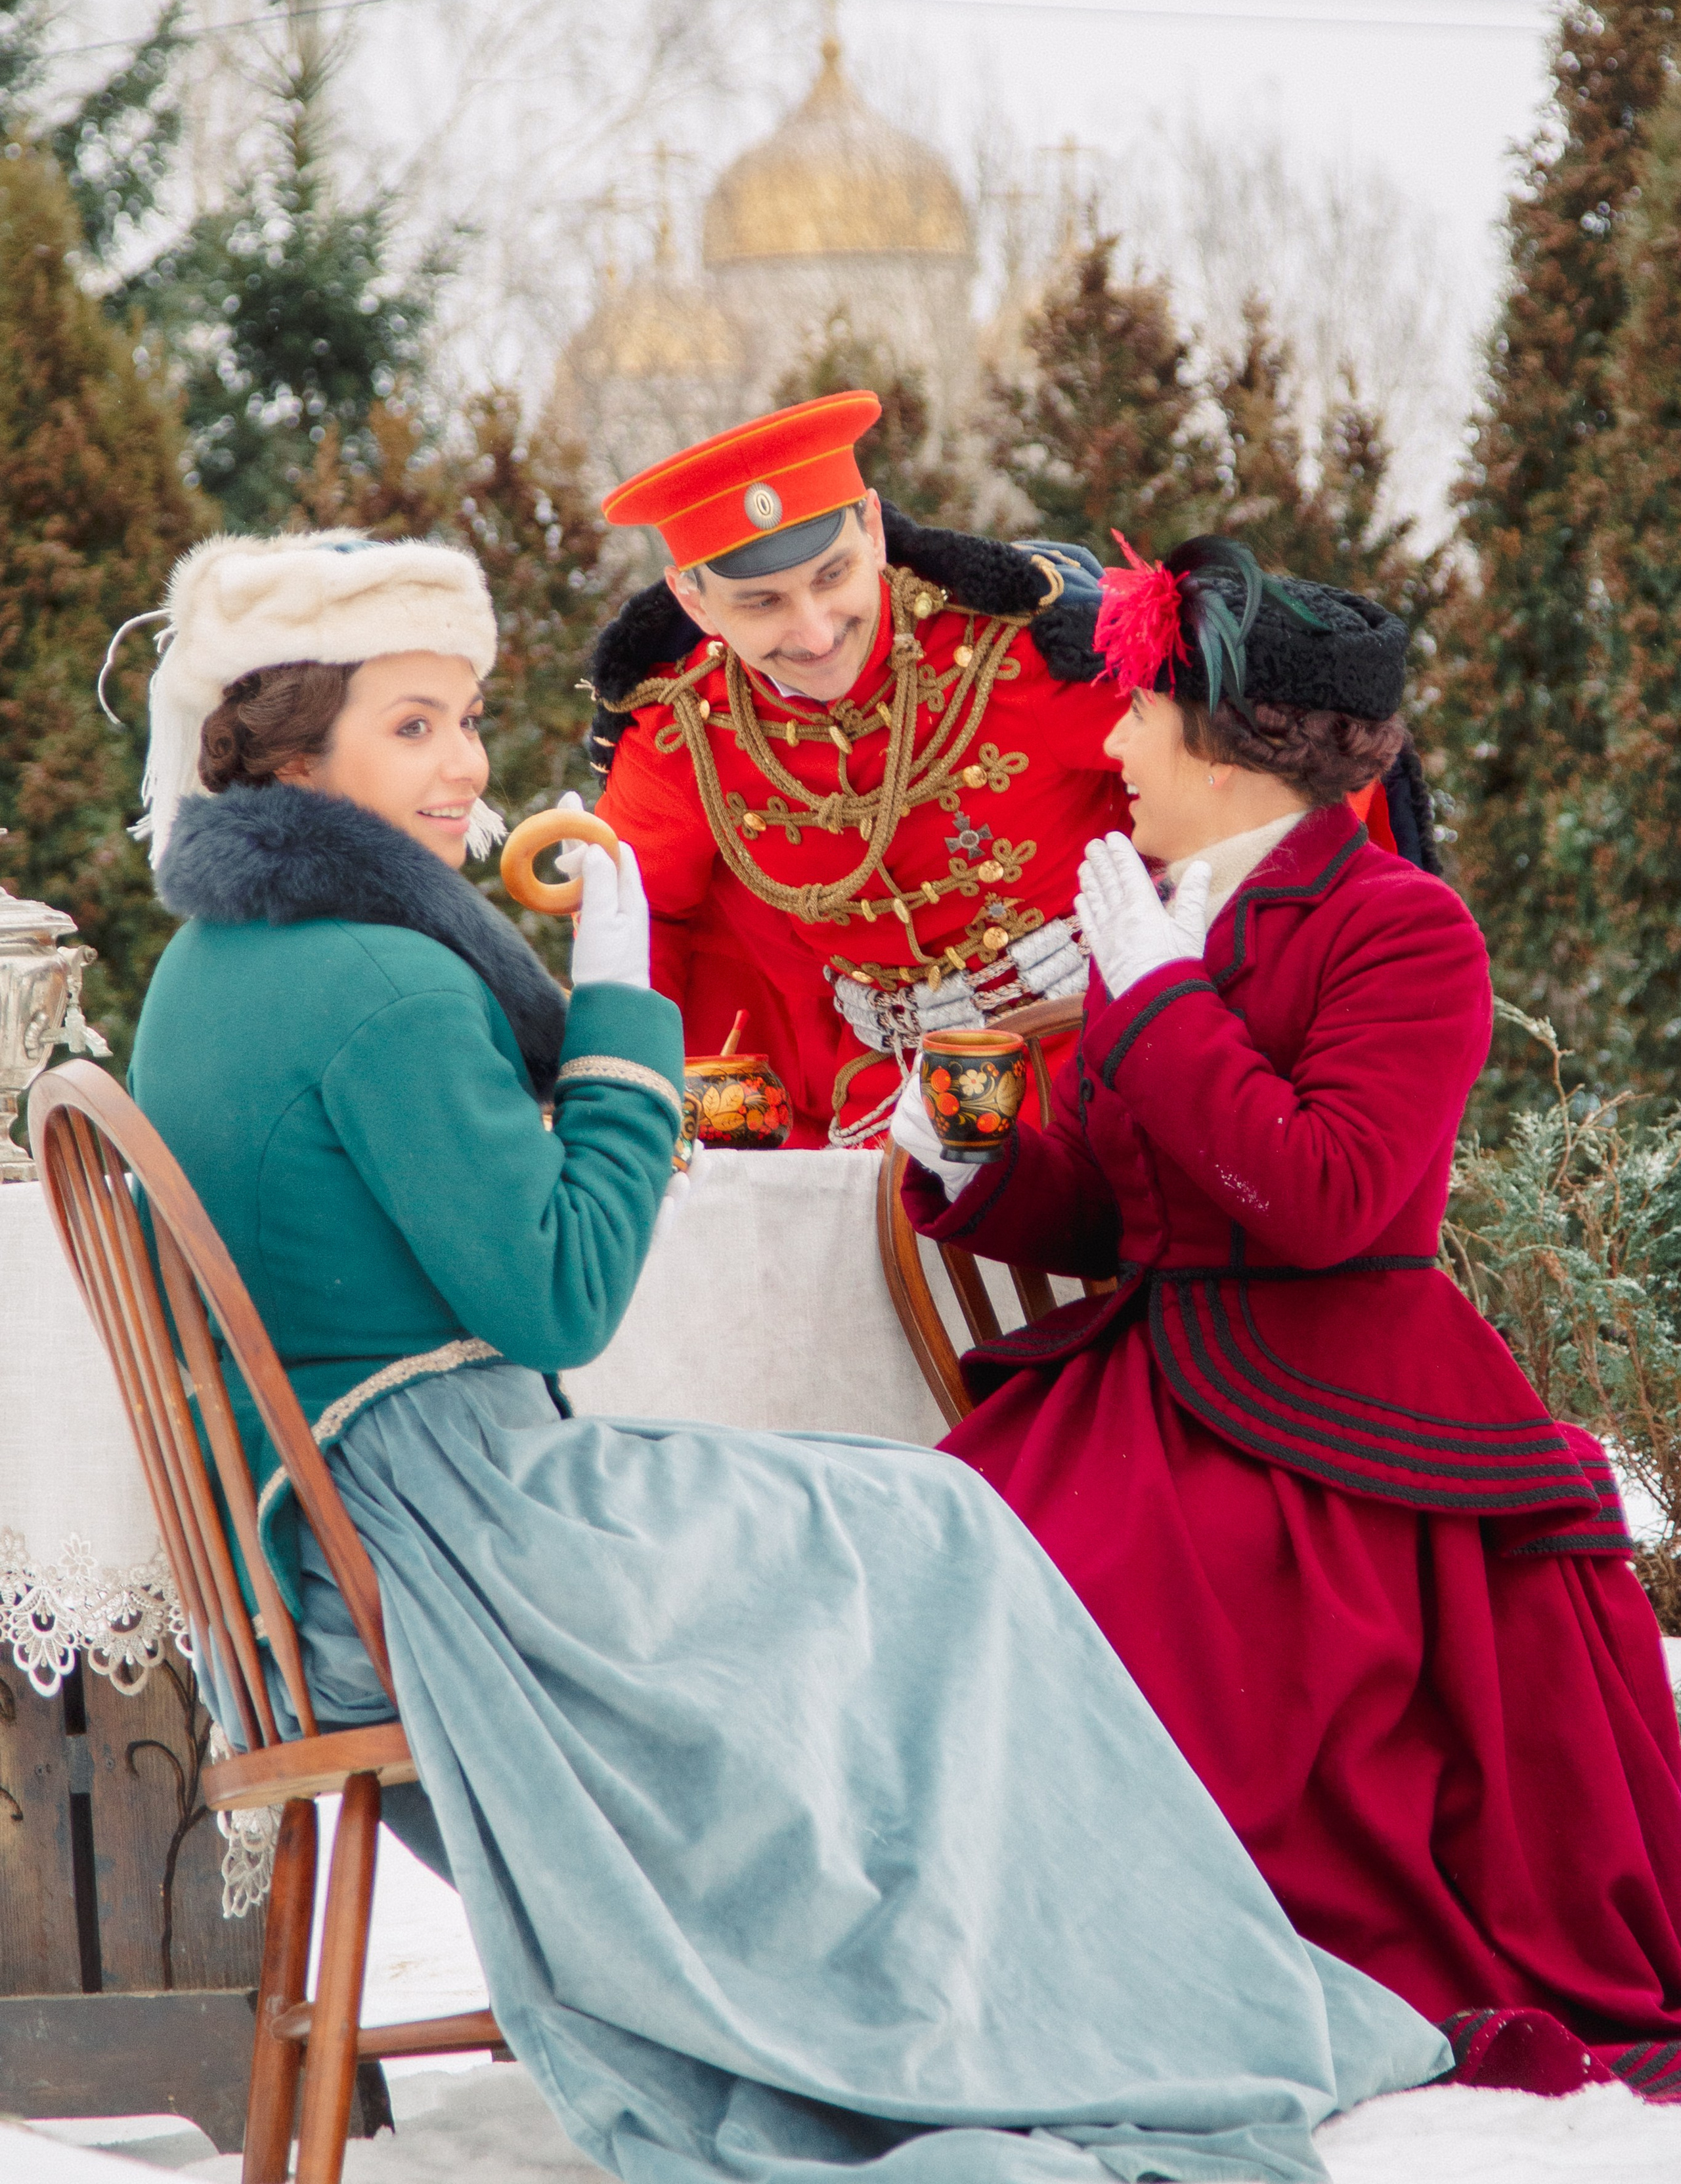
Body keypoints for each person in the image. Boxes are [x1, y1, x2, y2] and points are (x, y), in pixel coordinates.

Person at [116, 528, 1452, 2184]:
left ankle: (964, 1979)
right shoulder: (383, 978)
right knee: (940, 1525)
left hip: (323, 1532)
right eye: (410, 726)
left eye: (463, 718)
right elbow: (561, 1300)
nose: (464, 765)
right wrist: (619, 1020)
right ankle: (976, 2000)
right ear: (286, 755)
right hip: (442, 1534)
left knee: (901, 1513)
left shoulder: (209, 965)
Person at [892, 533, 1681, 2105]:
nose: (1109, 740)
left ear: (1228, 739)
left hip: (1334, 1411)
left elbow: (1323, 1199)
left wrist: (1156, 996)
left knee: (1109, 1607)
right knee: (932, 1567)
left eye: (1134, 707)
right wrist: (978, 1162)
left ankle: (1158, 1958)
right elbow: (1127, 1216)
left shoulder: (1400, 928)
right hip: (1145, 1381)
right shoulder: (1160, 912)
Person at [586, 392, 1138, 1147]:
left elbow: (1224, 781)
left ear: (874, 531)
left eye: (832, 575)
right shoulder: (683, 731)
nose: (814, 635)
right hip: (885, 1102)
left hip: (1102, 1056)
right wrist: (639, 1111)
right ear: (694, 600)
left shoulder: (1016, 650)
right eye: (761, 604)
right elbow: (633, 923)